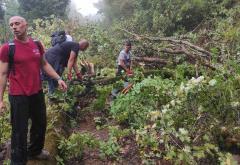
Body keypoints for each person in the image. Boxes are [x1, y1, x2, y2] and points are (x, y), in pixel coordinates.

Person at [0, 16, 67, 165]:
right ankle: (18, 161)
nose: (14, 27)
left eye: (17, 23)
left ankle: (35, 151)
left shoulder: (36, 44)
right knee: (19, 131)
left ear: (26, 24)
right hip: (18, 95)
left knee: (40, 123)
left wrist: (58, 78)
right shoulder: (7, 48)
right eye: (11, 25)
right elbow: (3, 74)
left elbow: (44, 64)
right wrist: (0, 100)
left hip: (36, 92)